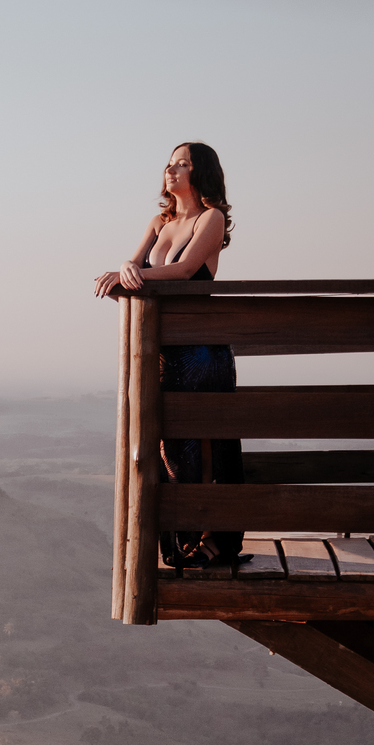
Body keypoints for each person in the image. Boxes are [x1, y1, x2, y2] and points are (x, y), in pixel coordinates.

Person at [94, 142, 242, 567]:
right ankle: (180, 540)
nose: (171, 169)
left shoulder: (210, 219)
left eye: (183, 164)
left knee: (204, 442)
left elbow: (181, 271)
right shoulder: (161, 221)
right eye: (170, 163)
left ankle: (211, 537)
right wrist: (124, 268)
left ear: (201, 174)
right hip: (164, 346)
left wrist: (134, 273)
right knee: (168, 444)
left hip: (200, 348)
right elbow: (135, 261)